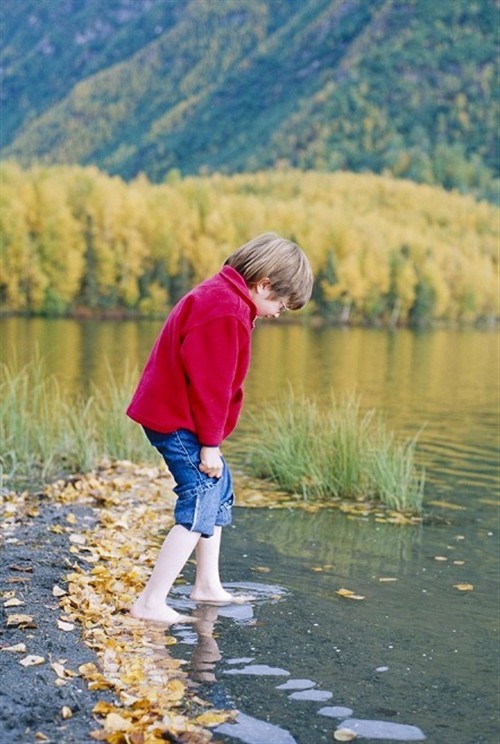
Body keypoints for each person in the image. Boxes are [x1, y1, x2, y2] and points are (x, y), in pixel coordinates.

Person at [126, 232, 314, 624]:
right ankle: (150, 601)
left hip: (181, 416)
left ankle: (207, 585)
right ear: (263, 284)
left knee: (218, 487)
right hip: (177, 417)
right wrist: (209, 445)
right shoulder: (225, 309)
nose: (279, 312)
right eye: (280, 302)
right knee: (200, 495)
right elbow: (212, 385)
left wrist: (213, 445)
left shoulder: (225, 297)